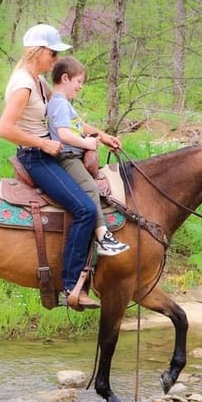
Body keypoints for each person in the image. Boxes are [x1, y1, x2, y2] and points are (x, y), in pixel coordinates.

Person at [0, 23, 100, 310]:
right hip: (36, 157)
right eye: (52, 54)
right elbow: (4, 128)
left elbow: (66, 119)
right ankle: (70, 286)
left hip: (48, 152)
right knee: (85, 209)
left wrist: (98, 135)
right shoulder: (24, 85)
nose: (55, 60)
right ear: (38, 51)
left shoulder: (38, 81)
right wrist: (42, 144)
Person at [47, 56, 130, 257]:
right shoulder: (58, 103)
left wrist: (102, 136)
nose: (80, 87)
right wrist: (87, 143)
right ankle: (103, 237)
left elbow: (78, 126)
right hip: (67, 157)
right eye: (78, 82)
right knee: (90, 188)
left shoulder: (64, 103)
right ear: (65, 78)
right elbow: (65, 134)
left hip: (74, 154)